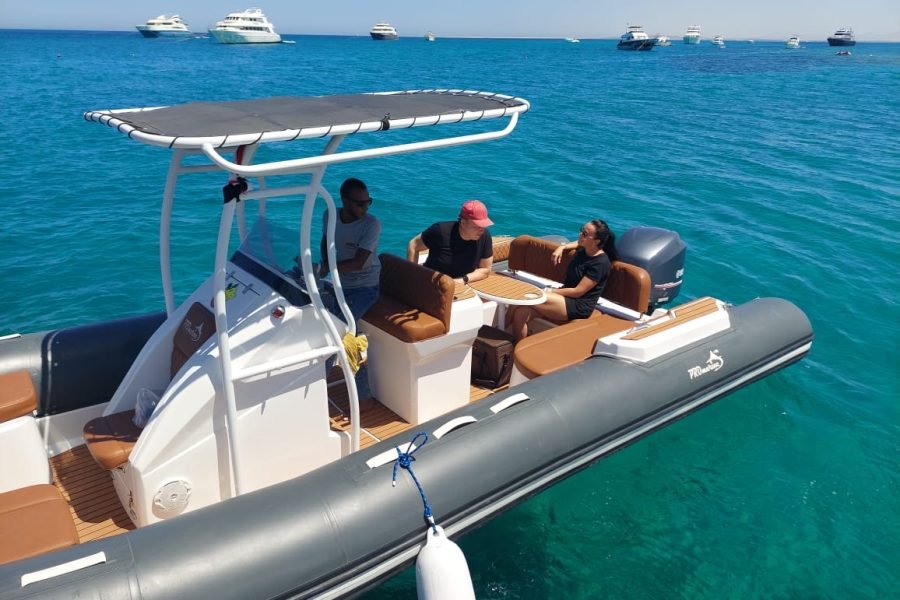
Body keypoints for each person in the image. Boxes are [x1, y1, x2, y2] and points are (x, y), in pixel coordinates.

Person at [508, 219, 615, 342]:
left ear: (597, 241)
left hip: (578, 305)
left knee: (522, 298)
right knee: (520, 313)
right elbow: (577, 243)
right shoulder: (584, 248)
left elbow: (578, 292)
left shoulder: (600, 263)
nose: (580, 235)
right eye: (581, 230)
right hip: (564, 296)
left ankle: (496, 333)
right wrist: (562, 247)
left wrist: (551, 291)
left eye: (585, 234)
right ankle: (516, 347)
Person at [319, 177, 381, 324]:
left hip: (365, 286)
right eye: (360, 204)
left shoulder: (371, 224)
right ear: (345, 201)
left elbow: (358, 263)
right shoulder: (330, 215)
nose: (366, 207)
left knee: (340, 324)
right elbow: (326, 241)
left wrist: (326, 268)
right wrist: (325, 262)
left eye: (368, 202)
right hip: (340, 281)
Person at [406, 199, 494, 285]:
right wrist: (412, 276)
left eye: (484, 225)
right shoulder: (440, 231)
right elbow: (413, 245)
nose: (481, 230)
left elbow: (486, 269)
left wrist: (463, 280)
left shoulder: (484, 236)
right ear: (463, 222)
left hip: (462, 284)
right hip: (433, 283)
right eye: (477, 226)